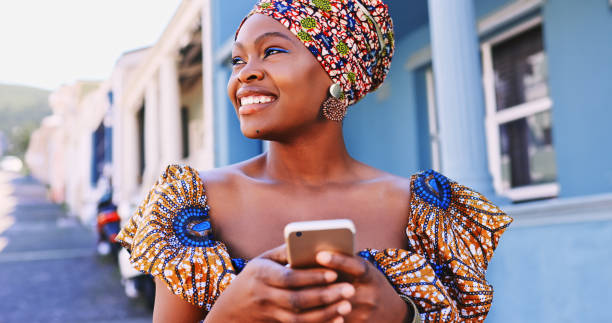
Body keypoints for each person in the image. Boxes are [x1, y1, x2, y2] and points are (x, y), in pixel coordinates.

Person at [116, 0, 513, 322]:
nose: (247, 74)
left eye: (271, 51)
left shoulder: (423, 208)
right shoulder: (192, 202)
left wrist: (401, 315)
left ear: (339, 74)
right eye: (238, 61)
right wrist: (228, 314)